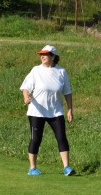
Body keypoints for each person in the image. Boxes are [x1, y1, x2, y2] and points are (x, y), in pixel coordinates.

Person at [20, 45, 75, 176]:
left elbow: (67, 92)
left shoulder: (61, 72)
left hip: (56, 111)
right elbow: (26, 87)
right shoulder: (36, 70)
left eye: (45, 54)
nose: (42, 56)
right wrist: (26, 97)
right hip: (37, 111)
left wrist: (70, 110)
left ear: (53, 56)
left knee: (61, 137)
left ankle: (66, 167)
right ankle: (32, 168)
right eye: (41, 54)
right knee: (36, 139)